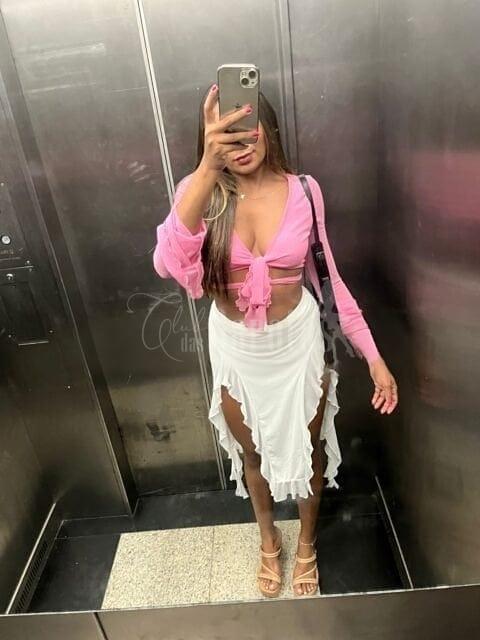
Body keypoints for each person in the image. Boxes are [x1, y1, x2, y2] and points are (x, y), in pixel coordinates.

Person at [153, 83, 398, 598]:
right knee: (252, 454)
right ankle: (269, 540)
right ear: (210, 137)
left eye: (249, 128)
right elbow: (169, 262)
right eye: (227, 133)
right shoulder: (199, 191)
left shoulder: (304, 189)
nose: (241, 143)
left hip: (297, 344)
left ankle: (306, 543)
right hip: (237, 348)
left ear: (268, 128)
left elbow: (329, 279)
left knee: (309, 449)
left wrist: (373, 355)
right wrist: (207, 167)